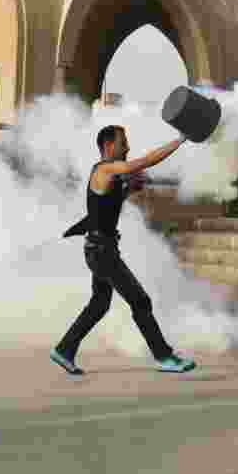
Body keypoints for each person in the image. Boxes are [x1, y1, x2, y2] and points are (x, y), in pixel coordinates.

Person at [52, 126, 196, 375]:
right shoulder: (103, 169)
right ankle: (164, 357)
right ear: (109, 146)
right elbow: (145, 162)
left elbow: (105, 207)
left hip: (100, 250)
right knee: (141, 301)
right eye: (123, 143)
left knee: (99, 304)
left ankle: (65, 350)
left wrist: (130, 189)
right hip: (103, 252)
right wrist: (180, 140)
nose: (127, 148)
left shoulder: (110, 178)